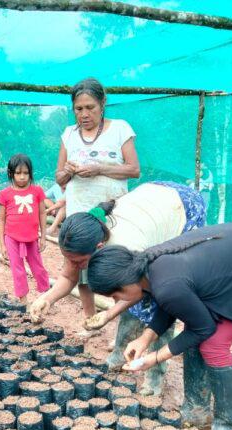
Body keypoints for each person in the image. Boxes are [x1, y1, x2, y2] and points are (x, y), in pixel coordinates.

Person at [86, 222, 232, 430]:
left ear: (125, 281)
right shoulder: (147, 265)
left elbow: (201, 327)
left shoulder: (166, 282)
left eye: (115, 294)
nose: (117, 300)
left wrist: (154, 358)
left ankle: (226, 426)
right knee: (197, 324)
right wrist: (144, 339)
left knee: (213, 343)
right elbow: (171, 302)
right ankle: (197, 410)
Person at [29, 181, 206, 395]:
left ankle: (154, 376)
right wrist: (46, 298)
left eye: (79, 261)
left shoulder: (127, 244)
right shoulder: (79, 237)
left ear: (99, 248)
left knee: (163, 299)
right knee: (134, 300)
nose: (76, 265)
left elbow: (139, 291)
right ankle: (120, 354)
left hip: (180, 206)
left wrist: (109, 314)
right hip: (152, 196)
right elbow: (68, 275)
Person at [55, 77, 141, 329]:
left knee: (120, 272)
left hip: (113, 214)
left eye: (90, 107)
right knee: (82, 272)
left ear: (102, 104)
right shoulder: (69, 134)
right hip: (80, 217)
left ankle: (122, 329)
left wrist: (99, 168)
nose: (84, 114)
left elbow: (134, 169)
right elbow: (59, 177)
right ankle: (90, 320)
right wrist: (67, 171)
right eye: (78, 109)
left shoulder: (120, 129)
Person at [0, 154, 50, 305]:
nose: (22, 177)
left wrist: (43, 237)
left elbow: (42, 213)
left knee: (38, 268)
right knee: (17, 269)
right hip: (12, 238)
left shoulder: (37, 191)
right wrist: (2, 245)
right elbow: (1, 219)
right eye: (18, 173)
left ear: (30, 173)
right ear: (11, 173)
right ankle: (23, 301)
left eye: (26, 173)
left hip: (32, 238)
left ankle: (47, 297)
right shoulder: (4, 194)